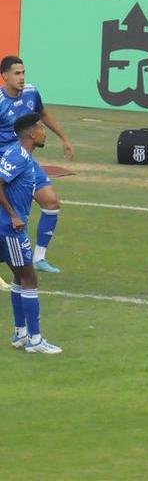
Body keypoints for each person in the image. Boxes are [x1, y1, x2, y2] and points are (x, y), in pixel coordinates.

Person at [0, 57, 74, 275]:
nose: (22, 77)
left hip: (26, 161)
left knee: (51, 202)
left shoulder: (32, 92)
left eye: (23, 72)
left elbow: (43, 114)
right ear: (5, 76)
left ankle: (39, 258)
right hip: (6, 163)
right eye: (17, 73)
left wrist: (64, 138)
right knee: (7, 215)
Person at [0, 114, 61, 353]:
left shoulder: (22, 156)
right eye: (41, 129)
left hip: (8, 227)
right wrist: (13, 215)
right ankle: (35, 340)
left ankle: (21, 334)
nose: (44, 133)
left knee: (19, 276)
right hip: (10, 229)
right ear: (32, 134)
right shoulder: (18, 157)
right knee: (29, 279)